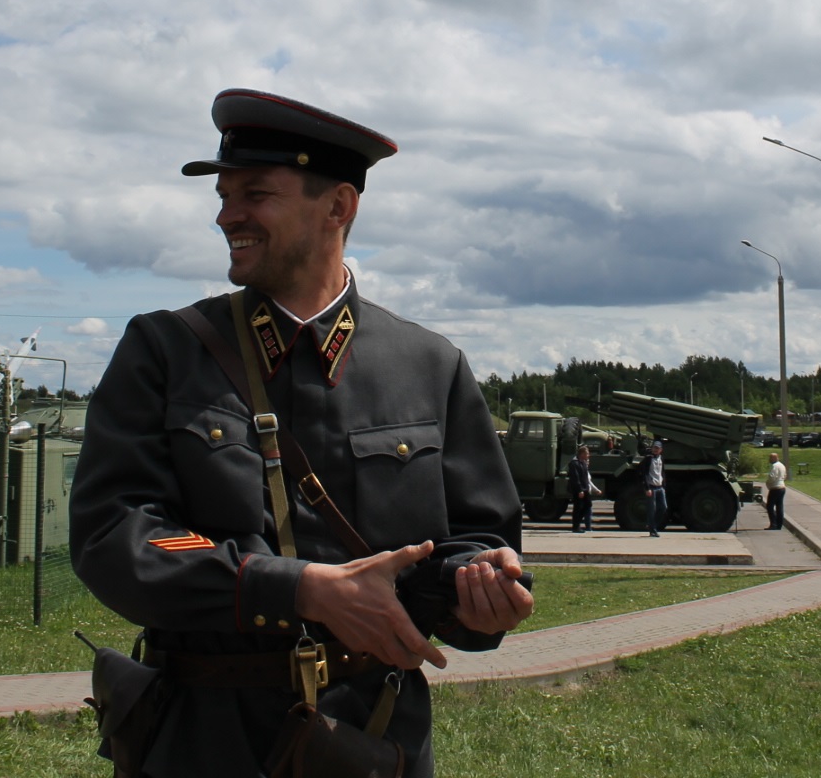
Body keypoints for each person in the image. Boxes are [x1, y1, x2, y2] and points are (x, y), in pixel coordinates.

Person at [71, 88, 533, 778]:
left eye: (255, 194)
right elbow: (117, 532)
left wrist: (478, 591)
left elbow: (475, 537)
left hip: (373, 740)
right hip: (204, 741)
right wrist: (295, 588)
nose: (227, 216)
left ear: (338, 207)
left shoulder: (429, 365)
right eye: (224, 197)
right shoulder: (165, 351)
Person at [568, 444, 595, 534]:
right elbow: (575, 478)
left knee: (588, 504)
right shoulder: (574, 463)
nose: (588, 455)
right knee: (578, 507)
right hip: (578, 489)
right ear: (582, 454)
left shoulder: (583, 463)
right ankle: (575, 526)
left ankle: (577, 522)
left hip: (585, 488)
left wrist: (587, 488)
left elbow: (585, 477)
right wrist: (580, 490)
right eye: (587, 453)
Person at [644, 439, 667, 536]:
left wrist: (664, 485)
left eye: (657, 448)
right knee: (651, 509)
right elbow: (644, 473)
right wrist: (647, 488)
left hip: (660, 487)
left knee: (663, 507)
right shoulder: (648, 459)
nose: (655, 450)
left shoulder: (661, 458)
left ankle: (651, 524)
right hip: (652, 487)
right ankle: (653, 530)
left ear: (661, 450)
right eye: (654, 448)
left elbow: (662, 472)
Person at [764, 452, 788, 530]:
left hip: (775, 487)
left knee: (770, 506)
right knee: (779, 506)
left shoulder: (774, 466)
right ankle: (779, 524)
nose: (769, 459)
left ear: (774, 458)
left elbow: (772, 477)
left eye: (770, 458)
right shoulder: (782, 465)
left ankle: (773, 524)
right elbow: (785, 476)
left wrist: (768, 483)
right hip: (782, 487)